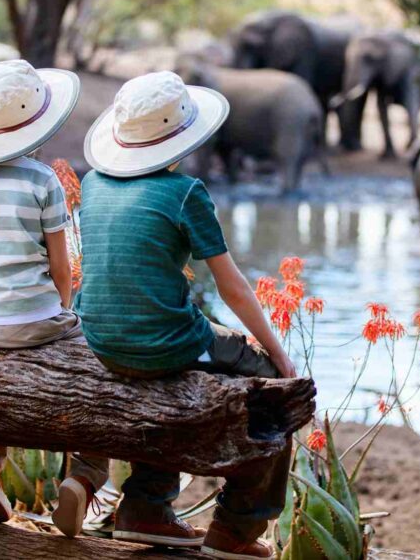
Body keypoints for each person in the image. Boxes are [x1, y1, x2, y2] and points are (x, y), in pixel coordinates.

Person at [78, 71, 296, 560]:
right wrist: (279, 356)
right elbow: (232, 287)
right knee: (274, 393)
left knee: (164, 370)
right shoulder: (185, 192)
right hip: (163, 342)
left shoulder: (93, 182)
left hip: (99, 339)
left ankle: (146, 508)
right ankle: (237, 526)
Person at [0, 59, 108, 532]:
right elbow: (61, 268)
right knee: (100, 372)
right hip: (34, 321)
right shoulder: (42, 181)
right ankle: (86, 475)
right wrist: (65, 315)